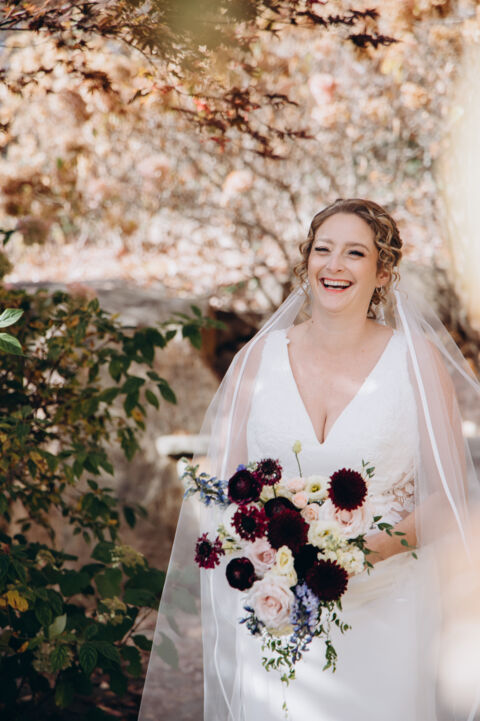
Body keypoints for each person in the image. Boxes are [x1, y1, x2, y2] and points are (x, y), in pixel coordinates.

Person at [138, 198, 480, 721]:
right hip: (278, 611)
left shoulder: (416, 362)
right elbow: (229, 489)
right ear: (307, 261)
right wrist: (266, 555)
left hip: (388, 611)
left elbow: (449, 499)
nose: (334, 265)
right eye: (323, 250)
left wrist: (361, 554)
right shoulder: (257, 359)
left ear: (382, 273)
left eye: (355, 253)